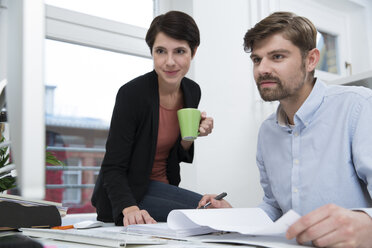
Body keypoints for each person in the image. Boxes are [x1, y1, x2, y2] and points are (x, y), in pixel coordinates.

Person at [198, 11, 372, 247]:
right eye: (257, 60)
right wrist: (232, 216)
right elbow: (274, 207)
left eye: (277, 56)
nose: (262, 69)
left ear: (311, 60)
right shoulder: (267, 132)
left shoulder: (358, 108)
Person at [92, 10, 214, 227]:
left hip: (161, 187)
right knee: (205, 215)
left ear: (193, 52)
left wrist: (192, 135)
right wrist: (129, 209)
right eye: (160, 51)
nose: (169, 62)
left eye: (179, 51)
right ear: (152, 52)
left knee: (213, 209)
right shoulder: (132, 94)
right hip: (126, 195)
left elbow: (175, 154)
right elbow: (112, 167)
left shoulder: (192, 91)